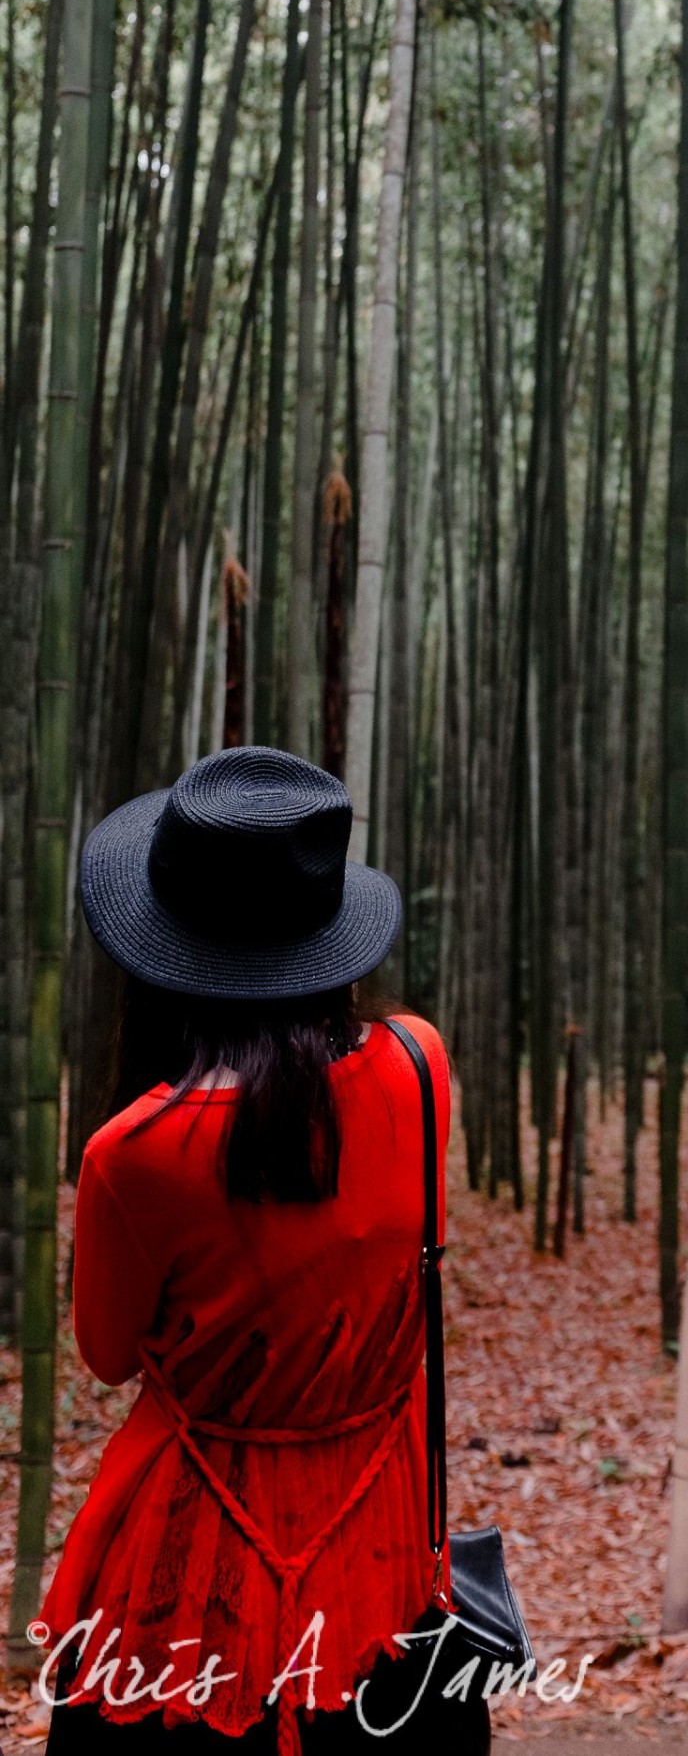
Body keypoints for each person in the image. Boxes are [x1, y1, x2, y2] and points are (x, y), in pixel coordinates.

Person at [32, 746, 490, 1754]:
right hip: (379, 1524)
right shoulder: (420, 1064)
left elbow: (110, 1355)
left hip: (196, 1558)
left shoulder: (135, 1153)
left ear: (163, 958)